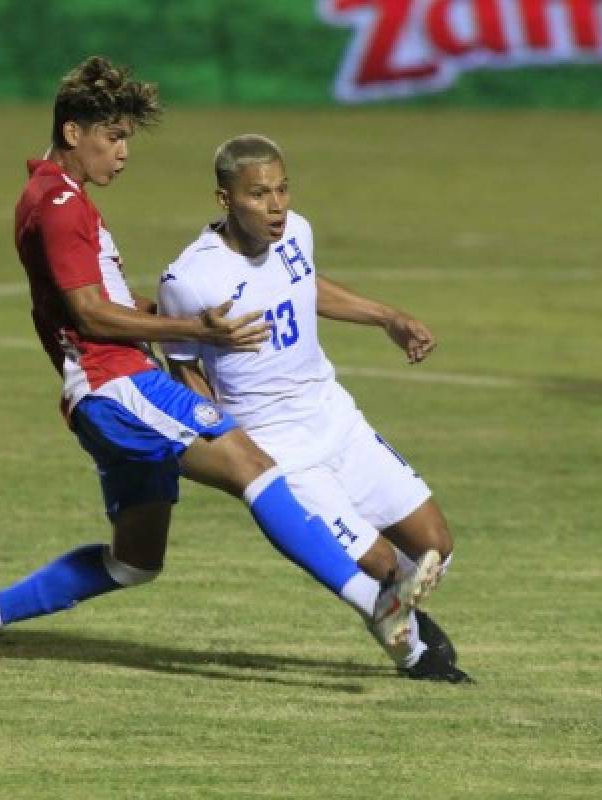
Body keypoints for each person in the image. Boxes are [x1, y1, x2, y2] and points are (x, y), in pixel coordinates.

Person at [0, 57, 441, 659]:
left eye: (126, 137)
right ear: (73, 132)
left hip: (100, 394)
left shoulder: (51, 194)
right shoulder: (61, 207)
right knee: (255, 467)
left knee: (134, 560)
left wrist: (160, 311)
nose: (122, 153)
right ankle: (373, 600)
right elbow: (90, 314)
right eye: (113, 137)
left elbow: (99, 301)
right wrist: (190, 325)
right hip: (117, 384)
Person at [156, 134, 470, 683]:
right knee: (378, 565)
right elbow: (184, 370)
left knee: (434, 547)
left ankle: (402, 612)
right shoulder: (190, 279)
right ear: (225, 199)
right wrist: (229, 449)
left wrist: (386, 317)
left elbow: (305, 287)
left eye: (282, 189)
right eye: (259, 194)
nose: (276, 206)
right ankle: (418, 656)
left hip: (334, 418)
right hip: (277, 446)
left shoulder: (297, 232)